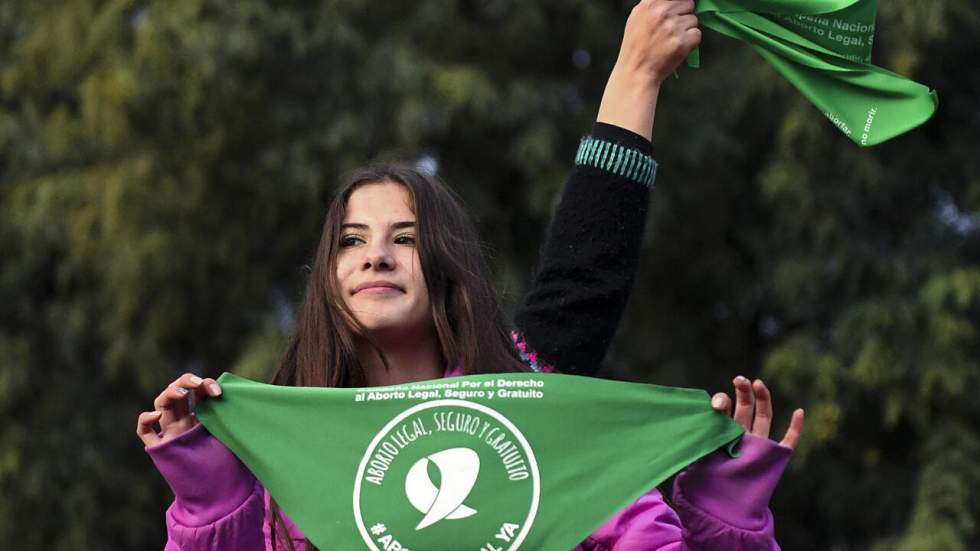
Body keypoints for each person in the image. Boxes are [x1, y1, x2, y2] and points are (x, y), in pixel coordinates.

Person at [137, 1, 806, 549]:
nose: (377, 255)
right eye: (351, 240)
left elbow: (586, 267)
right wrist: (208, 491)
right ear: (325, 282)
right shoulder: (282, 459)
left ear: (448, 271)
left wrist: (726, 512)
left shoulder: (532, 402)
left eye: (405, 237)